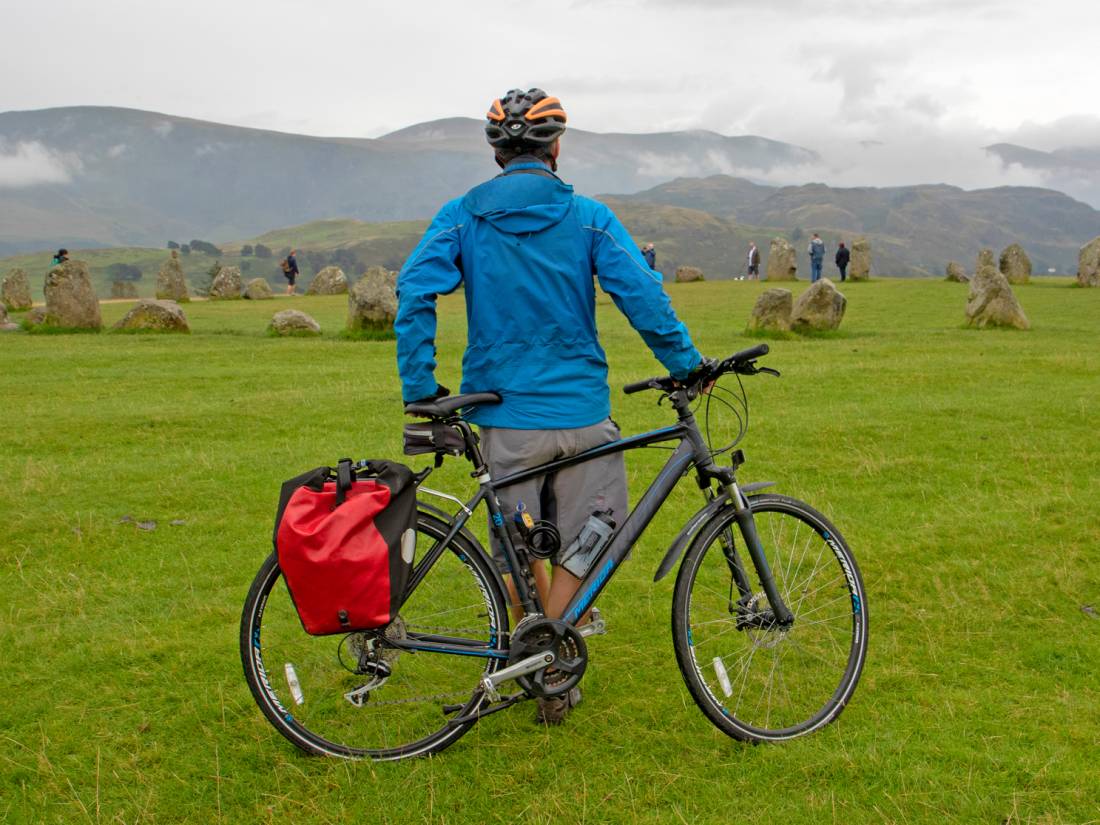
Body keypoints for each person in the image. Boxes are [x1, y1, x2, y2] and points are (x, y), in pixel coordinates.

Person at [395, 88, 704, 725]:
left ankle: (542, 662)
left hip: (506, 417)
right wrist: (685, 364)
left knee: (516, 551)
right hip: (582, 414)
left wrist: (421, 385)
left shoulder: (461, 215)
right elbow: (642, 296)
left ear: (497, 153)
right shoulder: (588, 216)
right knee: (591, 540)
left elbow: (414, 289)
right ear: (555, 147)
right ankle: (553, 663)